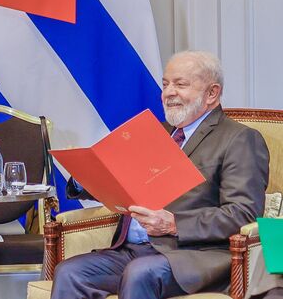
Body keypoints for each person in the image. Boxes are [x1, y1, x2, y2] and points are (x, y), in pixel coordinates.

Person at [51, 51, 269, 299]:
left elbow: (243, 213)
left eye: (180, 84)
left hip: (195, 255)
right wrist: (84, 175)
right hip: (133, 250)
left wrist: (175, 224)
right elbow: (120, 182)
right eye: (165, 84)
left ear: (212, 93)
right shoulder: (155, 132)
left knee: (140, 273)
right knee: (70, 271)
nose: (168, 92)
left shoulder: (239, 139)